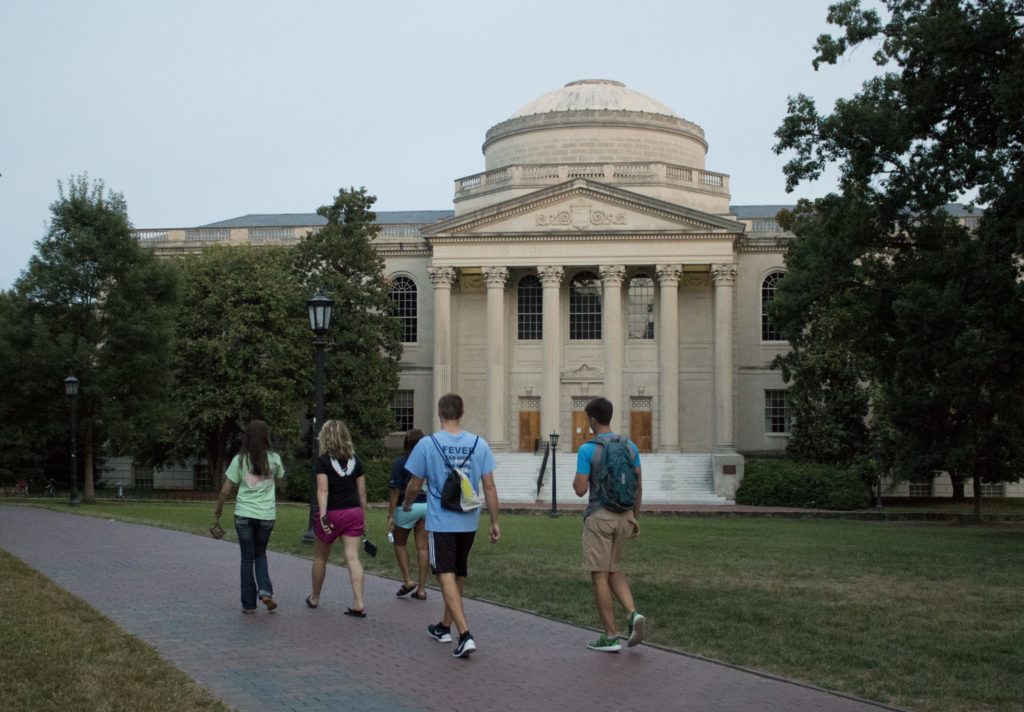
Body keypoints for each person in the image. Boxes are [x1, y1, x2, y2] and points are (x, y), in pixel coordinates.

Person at [403, 393, 500, 658]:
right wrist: (494, 520)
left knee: (444, 573)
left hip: (442, 520)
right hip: (469, 520)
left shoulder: (427, 444)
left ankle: (465, 634)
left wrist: (407, 503)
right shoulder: (479, 444)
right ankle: (444, 627)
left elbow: (414, 483)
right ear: (462, 412)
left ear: (439, 413)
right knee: (457, 573)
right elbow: (489, 486)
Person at [572, 396, 647, 652]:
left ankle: (610, 636)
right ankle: (634, 614)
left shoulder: (587, 449)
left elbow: (581, 490)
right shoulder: (630, 447)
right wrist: (635, 517)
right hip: (625, 516)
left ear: (592, 419)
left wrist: (577, 481)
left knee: (599, 575)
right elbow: (638, 486)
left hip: (600, 516)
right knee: (614, 569)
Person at [214, 420, 286, 614]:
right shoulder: (274, 459)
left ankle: (248, 605)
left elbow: (225, 490)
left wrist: (219, 509)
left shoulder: (240, 460)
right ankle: (265, 592)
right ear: (266, 437)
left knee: (247, 558)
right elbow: (279, 478)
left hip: (244, 515)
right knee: (260, 553)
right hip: (266, 515)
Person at [305, 419, 369, 617]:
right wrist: (363, 517)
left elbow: (323, 490)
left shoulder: (323, 461)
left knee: (320, 557)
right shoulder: (356, 461)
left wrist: (322, 516)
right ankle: (358, 602)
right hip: (353, 513)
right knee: (353, 557)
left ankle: (315, 597)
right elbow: (362, 492)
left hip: (332, 513)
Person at [387, 428, 429, 600]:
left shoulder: (400, 462)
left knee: (399, 543)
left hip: (407, 506)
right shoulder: (429, 462)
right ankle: (421, 589)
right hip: (426, 506)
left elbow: (395, 491)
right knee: (423, 547)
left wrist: (390, 516)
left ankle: (408, 580)